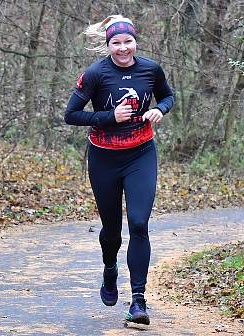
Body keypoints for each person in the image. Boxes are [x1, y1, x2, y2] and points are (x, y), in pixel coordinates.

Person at [63, 15, 175, 325]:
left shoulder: (151, 69)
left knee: (139, 224)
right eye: (116, 43)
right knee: (112, 231)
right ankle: (109, 269)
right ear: (108, 44)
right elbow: (71, 115)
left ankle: (138, 301)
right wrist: (110, 116)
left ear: (135, 42)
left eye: (128, 42)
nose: (123, 48)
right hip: (104, 159)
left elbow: (168, 96)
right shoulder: (95, 74)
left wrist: (159, 109)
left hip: (141, 154)